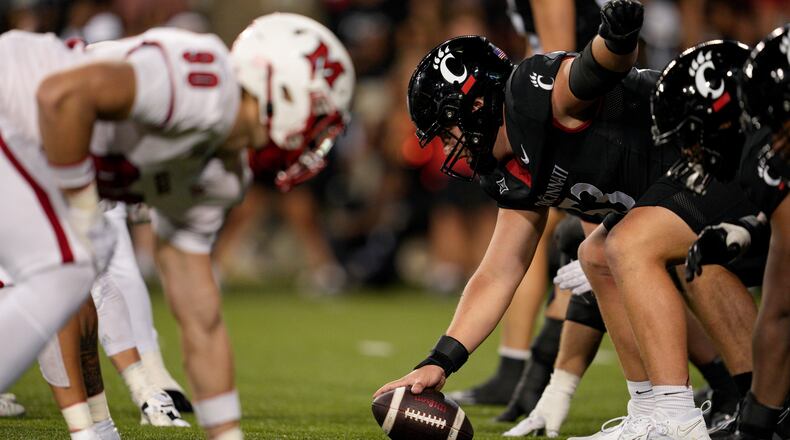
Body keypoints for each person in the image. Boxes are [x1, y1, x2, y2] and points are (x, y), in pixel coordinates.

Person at [375, 2, 759, 438]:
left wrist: (617, 36)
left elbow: (594, 72)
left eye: (448, 131)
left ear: (477, 104)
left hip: (717, 152)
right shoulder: (505, 169)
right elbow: (499, 271)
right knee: (596, 254)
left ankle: (676, 419)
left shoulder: (527, 95)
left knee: (625, 244)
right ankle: (651, 411)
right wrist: (438, 363)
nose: (448, 148)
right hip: (679, 186)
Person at [0, 12, 354, 439]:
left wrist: (227, 435)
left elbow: (199, 318)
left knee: (79, 261)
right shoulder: (201, 82)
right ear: (281, 87)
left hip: (31, 144)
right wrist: (82, 211)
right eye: (319, 114)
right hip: (15, 105)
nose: (317, 139)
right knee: (75, 259)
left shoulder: (223, 175)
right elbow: (61, 95)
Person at [681, 25, 790, 440]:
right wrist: (751, 227)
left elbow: (781, 310)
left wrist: (757, 427)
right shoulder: (769, 163)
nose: (773, 138)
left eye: (779, 120)